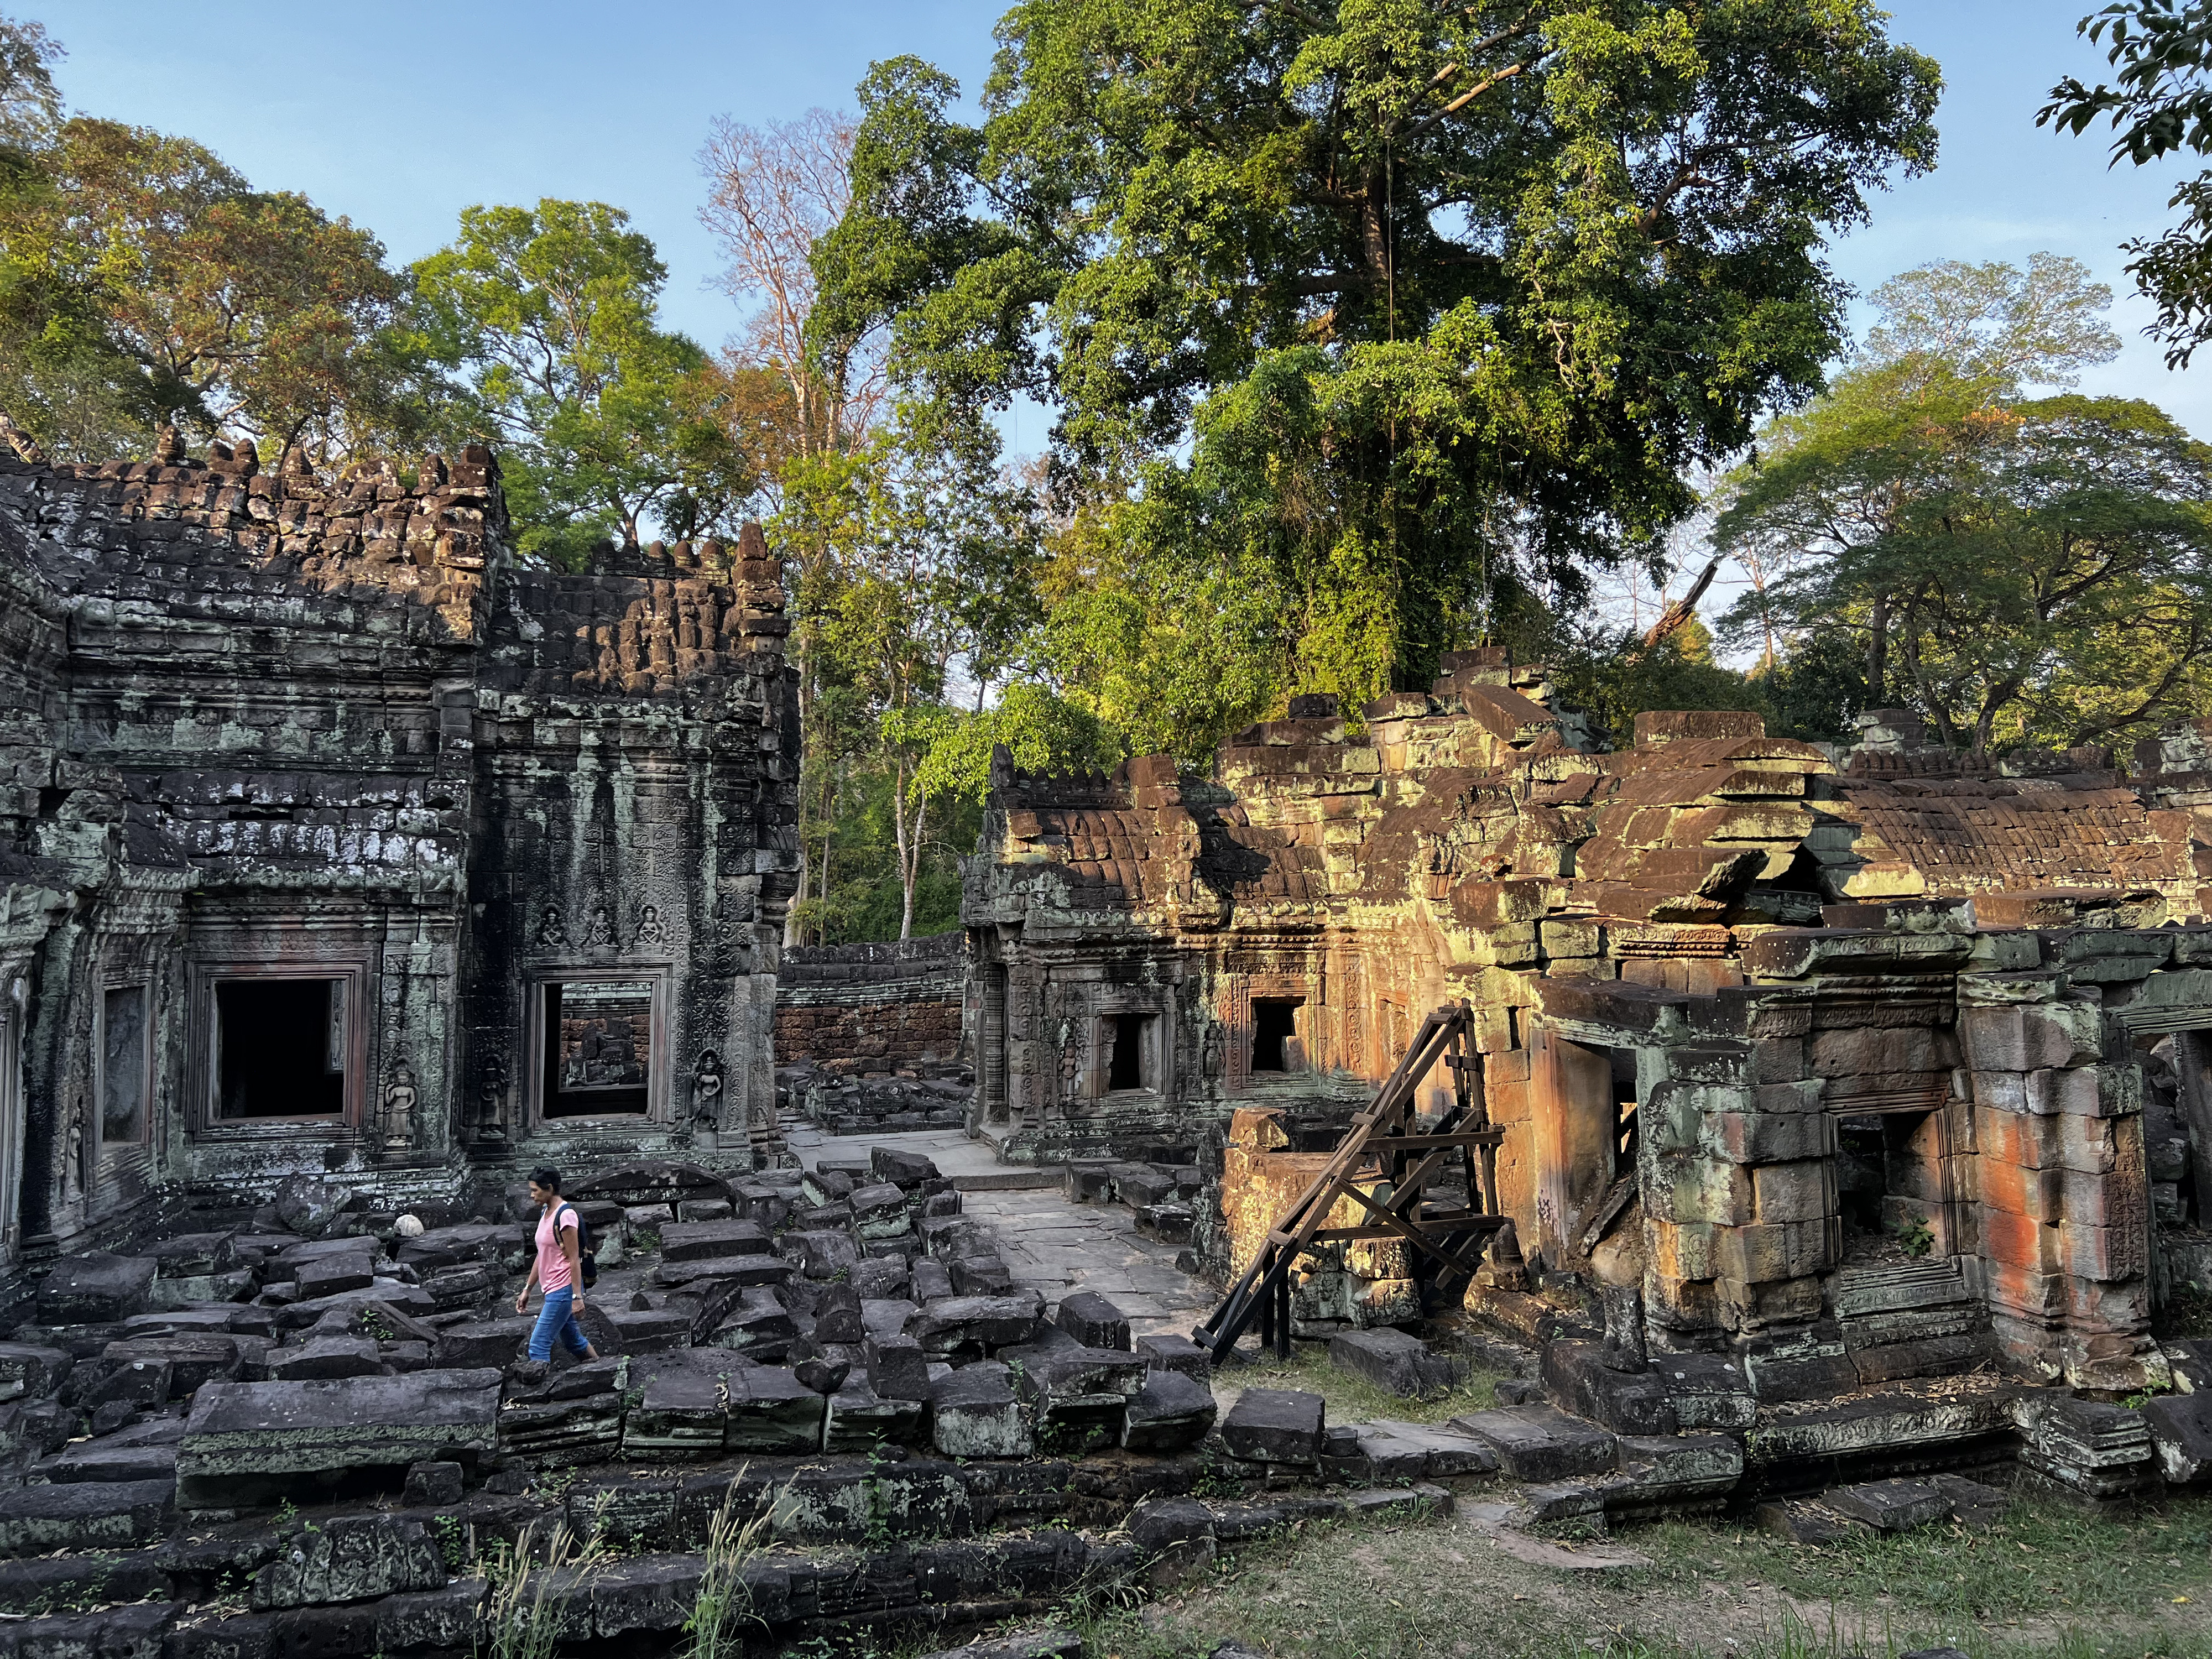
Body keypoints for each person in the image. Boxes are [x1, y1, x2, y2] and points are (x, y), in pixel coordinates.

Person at [515, 1166, 599, 1363]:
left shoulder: (566, 1215)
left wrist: (577, 1297)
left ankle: (540, 1391)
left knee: (538, 1345)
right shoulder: (546, 1212)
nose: (532, 1195)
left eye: (535, 1190)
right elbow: (542, 1254)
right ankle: (606, 1369)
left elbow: (574, 1259)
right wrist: (528, 1288)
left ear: (550, 1188)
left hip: (563, 1289)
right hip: (551, 1288)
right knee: (574, 1341)